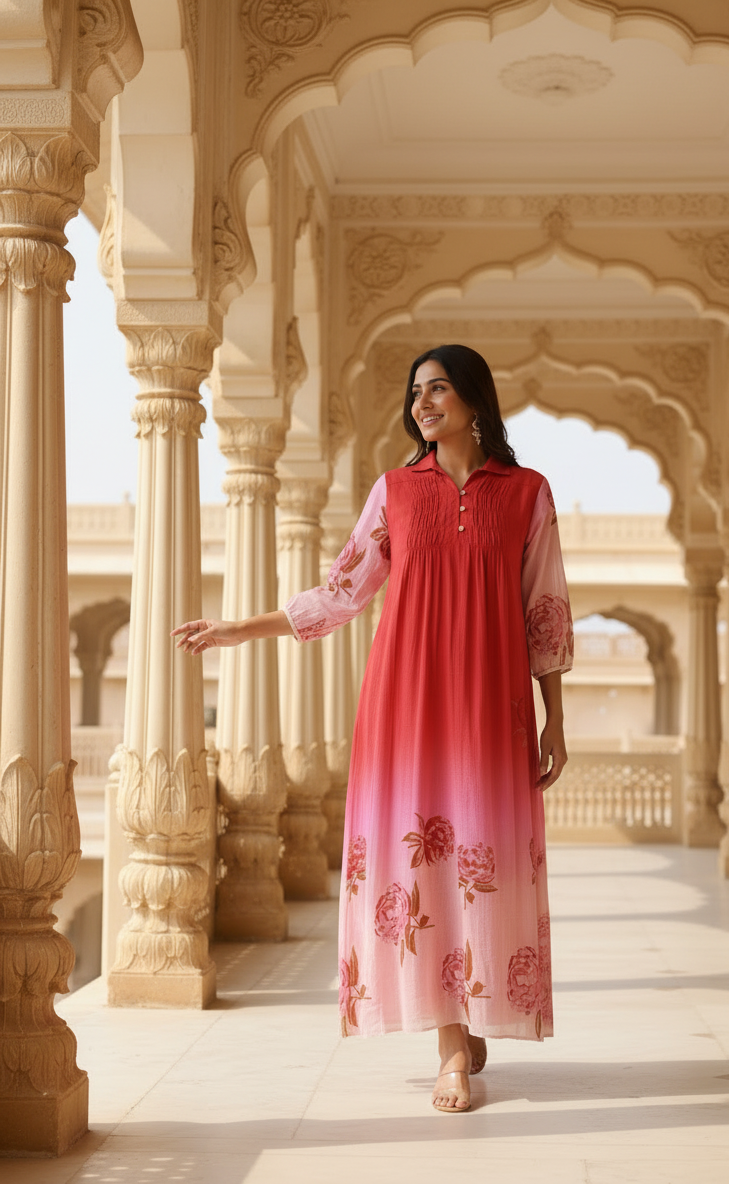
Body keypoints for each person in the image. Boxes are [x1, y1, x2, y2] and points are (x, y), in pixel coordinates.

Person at [173, 344, 573, 1114]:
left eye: (440, 389)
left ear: (475, 400)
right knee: (425, 864)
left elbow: (543, 609)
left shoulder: (527, 493)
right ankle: (452, 1045)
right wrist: (240, 629)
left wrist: (555, 716)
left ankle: (467, 1010)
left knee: (480, 859)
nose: (424, 403)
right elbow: (341, 591)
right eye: (416, 392)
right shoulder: (395, 491)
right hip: (408, 702)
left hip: (492, 702)